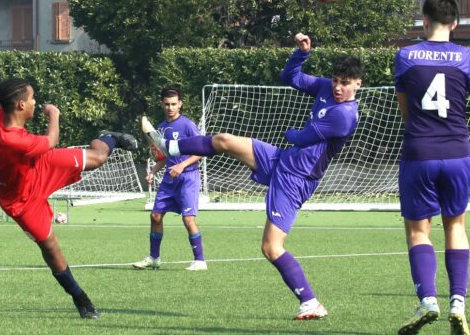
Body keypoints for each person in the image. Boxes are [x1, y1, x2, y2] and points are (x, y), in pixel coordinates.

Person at [142, 33, 363, 319]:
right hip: (283, 160)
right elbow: (291, 77)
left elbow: (300, 137)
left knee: (271, 247)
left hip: (296, 179)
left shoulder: (345, 115)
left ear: (358, 84)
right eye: (335, 80)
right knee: (223, 140)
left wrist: (288, 134)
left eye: (345, 83)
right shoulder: (326, 88)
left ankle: (310, 302)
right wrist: (302, 54)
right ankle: (168, 146)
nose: (337, 87)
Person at [0, 78, 138, 319]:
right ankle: (80, 298)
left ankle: (108, 136)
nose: (35, 102)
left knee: (98, 158)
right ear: (20, 105)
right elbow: (51, 141)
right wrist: (54, 114)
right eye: (32, 99)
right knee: (50, 247)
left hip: (40, 164)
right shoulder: (15, 140)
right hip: (21, 201)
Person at [394, 0, 470, 335]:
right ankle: (458, 303)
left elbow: (407, 114)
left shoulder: (405, 56)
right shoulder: (467, 58)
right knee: (456, 226)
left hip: (419, 153)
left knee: (419, 231)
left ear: (424, 21)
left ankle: (428, 300)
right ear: (455, 24)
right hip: (457, 153)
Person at [133, 88, 205, 271]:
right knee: (155, 216)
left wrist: (182, 166)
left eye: (174, 104)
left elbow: (202, 151)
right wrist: (154, 171)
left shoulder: (188, 125)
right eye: (167, 104)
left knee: (188, 220)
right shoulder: (161, 127)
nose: (170, 107)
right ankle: (154, 258)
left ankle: (200, 261)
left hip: (188, 177)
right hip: (169, 179)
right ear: (161, 104)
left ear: (180, 103)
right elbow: (165, 155)